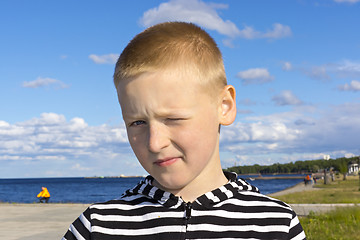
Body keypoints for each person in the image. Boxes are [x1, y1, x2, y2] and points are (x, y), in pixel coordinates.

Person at [62, 22, 306, 240]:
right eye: (137, 123)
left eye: (173, 118)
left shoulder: (275, 224)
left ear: (225, 107)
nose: (154, 143)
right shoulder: (98, 226)